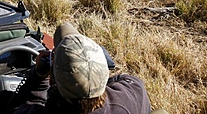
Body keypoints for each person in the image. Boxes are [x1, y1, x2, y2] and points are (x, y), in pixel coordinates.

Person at [12, 22, 151, 114]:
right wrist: (91, 78)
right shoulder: (133, 93)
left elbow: (16, 107)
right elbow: (124, 79)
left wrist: (38, 77)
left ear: (52, 81)